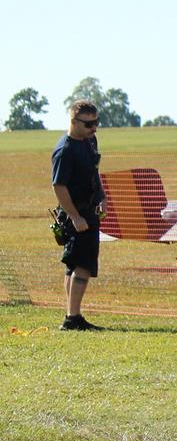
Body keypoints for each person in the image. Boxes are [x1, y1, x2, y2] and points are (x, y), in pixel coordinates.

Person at [51, 99, 106, 331]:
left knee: (73, 264)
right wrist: (75, 217)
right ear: (74, 122)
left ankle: (71, 314)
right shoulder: (65, 150)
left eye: (96, 122)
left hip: (90, 210)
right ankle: (73, 318)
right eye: (89, 124)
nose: (94, 128)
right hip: (78, 214)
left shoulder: (89, 141)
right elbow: (59, 186)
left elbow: (94, 172)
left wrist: (101, 198)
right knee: (82, 264)